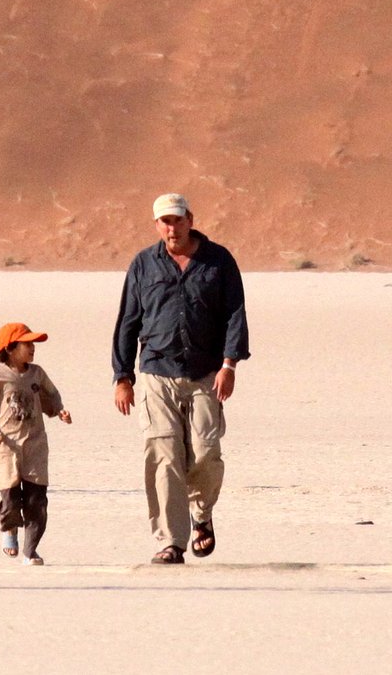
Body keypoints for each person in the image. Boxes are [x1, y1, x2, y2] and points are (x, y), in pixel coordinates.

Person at [111, 192, 250, 564]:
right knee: (163, 457)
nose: (171, 228)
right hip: (157, 373)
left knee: (206, 452)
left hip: (206, 373)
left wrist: (229, 364)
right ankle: (170, 541)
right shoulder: (144, 264)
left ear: (190, 218)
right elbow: (128, 321)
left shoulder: (218, 261)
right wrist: (122, 377)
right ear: (157, 225)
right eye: (164, 222)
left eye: (176, 220)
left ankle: (201, 514)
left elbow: (235, 313)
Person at [0, 322, 71, 565]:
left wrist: (59, 411)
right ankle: (9, 531)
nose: (32, 348)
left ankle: (30, 552)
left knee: (37, 502)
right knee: (11, 501)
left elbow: (51, 395)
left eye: (33, 343)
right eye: (27, 343)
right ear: (10, 348)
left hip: (35, 444)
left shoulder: (37, 374)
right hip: (7, 447)